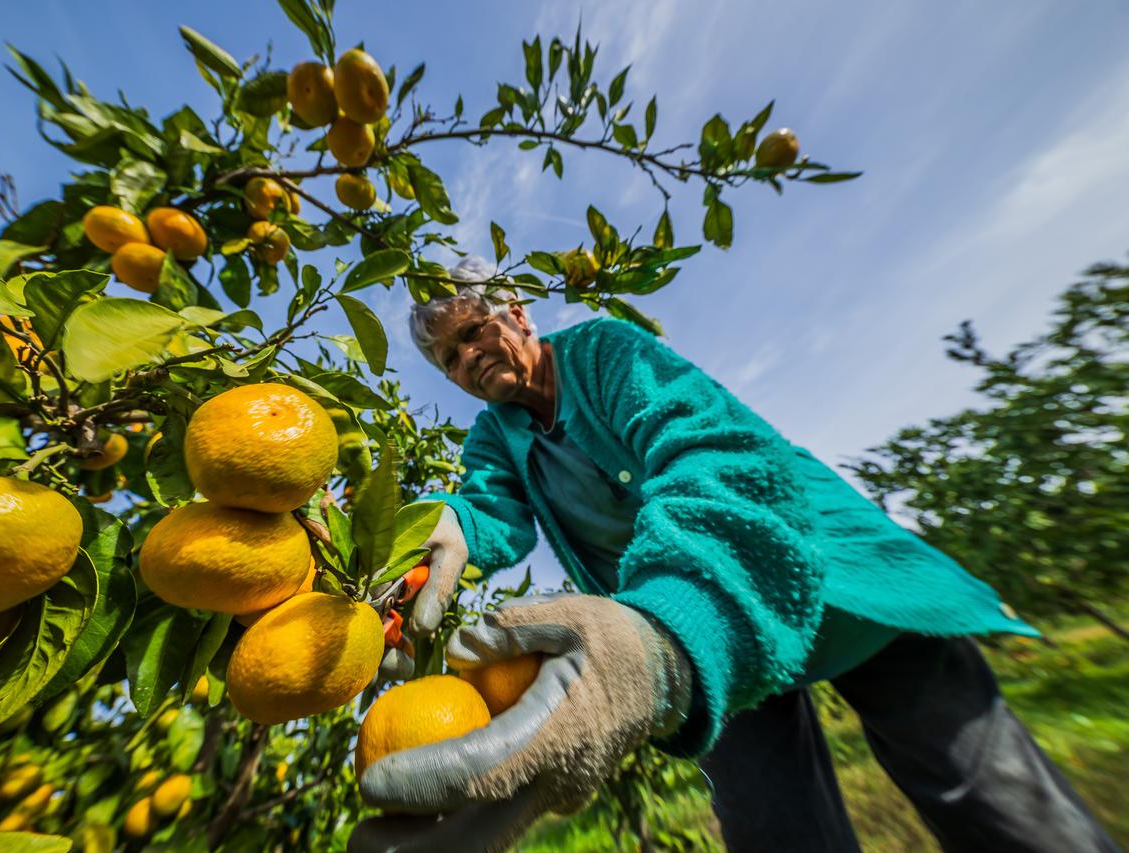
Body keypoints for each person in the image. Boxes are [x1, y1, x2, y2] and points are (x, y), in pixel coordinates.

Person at [349, 257, 1119, 853]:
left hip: (819, 580)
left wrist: (658, 630)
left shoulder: (606, 353)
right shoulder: (496, 438)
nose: (468, 358)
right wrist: (445, 526)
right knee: (773, 830)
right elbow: (489, 514)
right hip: (696, 643)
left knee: (984, 791)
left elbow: (709, 459)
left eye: (475, 329)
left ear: (515, 310)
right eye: (450, 357)